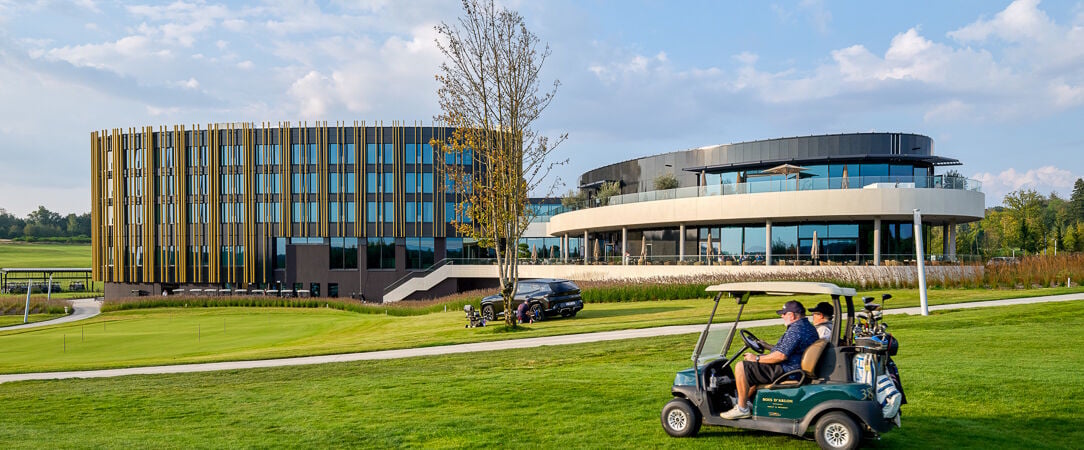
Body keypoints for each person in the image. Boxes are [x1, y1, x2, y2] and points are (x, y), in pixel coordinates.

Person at [719, 300, 819, 420]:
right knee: (754, 366)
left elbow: (781, 356)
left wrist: (756, 358)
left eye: (784, 313)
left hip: (789, 370)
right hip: (795, 366)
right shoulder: (807, 327)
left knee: (742, 366)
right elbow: (789, 349)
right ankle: (747, 401)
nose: (782, 316)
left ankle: (742, 408)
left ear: (791, 315)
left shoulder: (796, 330)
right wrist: (767, 346)